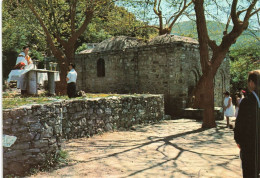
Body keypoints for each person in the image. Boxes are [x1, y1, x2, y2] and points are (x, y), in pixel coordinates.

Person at [234, 70, 260, 178]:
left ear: (252, 83)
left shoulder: (247, 101)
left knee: (250, 173)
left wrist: (239, 140)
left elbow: (240, 124)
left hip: (250, 147)